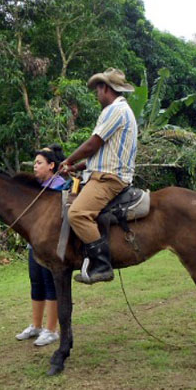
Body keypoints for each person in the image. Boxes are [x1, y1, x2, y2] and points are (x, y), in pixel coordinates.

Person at [58, 68, 138, 285]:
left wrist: (68, 161)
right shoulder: (121, 110)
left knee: (78, 213)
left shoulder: (115, 110)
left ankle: (102, 265)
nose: (96, 94)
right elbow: (100, 153)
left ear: (105, 88)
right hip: (104, 173)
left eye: (97, 89)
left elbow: (93, 143)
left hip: (109, 178)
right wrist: (79, 166)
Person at [15, 144, 69, 346]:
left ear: (51, 165)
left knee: (50, 285)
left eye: (39, 163)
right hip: (34, 244)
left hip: (51, 245)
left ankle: (51, 330)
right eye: (34, 163)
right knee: (36, 283)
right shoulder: (37, 189)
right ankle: (36, 326)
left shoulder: (60, 187)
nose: (35, 167)